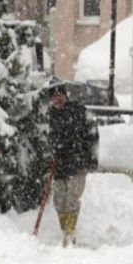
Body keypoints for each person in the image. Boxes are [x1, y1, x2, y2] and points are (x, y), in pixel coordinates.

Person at [47, 83, 99, 247]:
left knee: (72, 198)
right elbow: (47, 140)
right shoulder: (50, 116)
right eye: (53, 97)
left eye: (59, 95)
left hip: (77, 162)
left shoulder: (78, 111)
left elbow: (92, 135)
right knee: (59, 200)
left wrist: (91, 158)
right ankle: (65, 230)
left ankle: (70, 233)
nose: (57, 100)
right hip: (59, 165)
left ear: (65, 95)